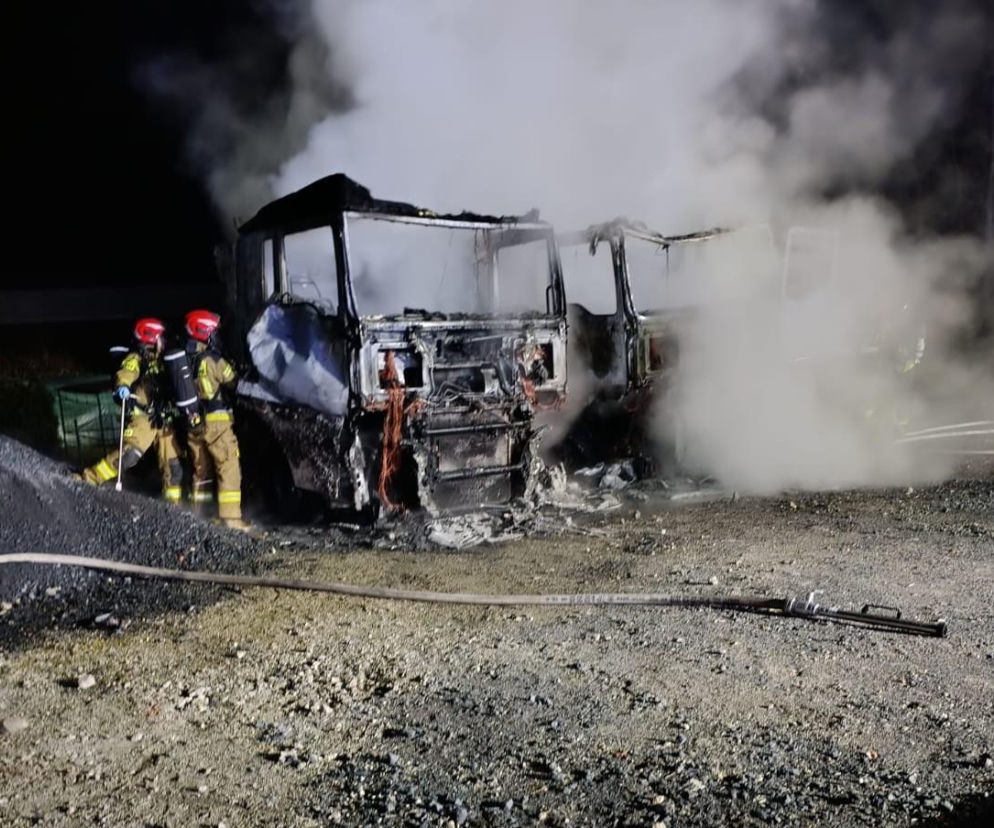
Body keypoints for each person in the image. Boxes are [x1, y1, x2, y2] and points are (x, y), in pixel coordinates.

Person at [81, 318, 185, 502]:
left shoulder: (161, 360)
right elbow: (125, 375)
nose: (163, 341)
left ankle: (172, 507)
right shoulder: (135, 358)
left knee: (173, 466)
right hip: (142, 418)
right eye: (160, 337)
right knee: (129, 455)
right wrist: (123, 387)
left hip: (161, 418)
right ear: (150, 338)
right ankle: (89, 478)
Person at [182, 309, 247, 530]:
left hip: (194, 423)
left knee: (201, 470)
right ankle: (231, 519)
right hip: (217, 422)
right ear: (203, 332)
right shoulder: (212, 359)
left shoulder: (184, 361)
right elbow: (234, 382)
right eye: (213, 332)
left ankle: (198, 516)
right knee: (227, 465)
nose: (216, 336)